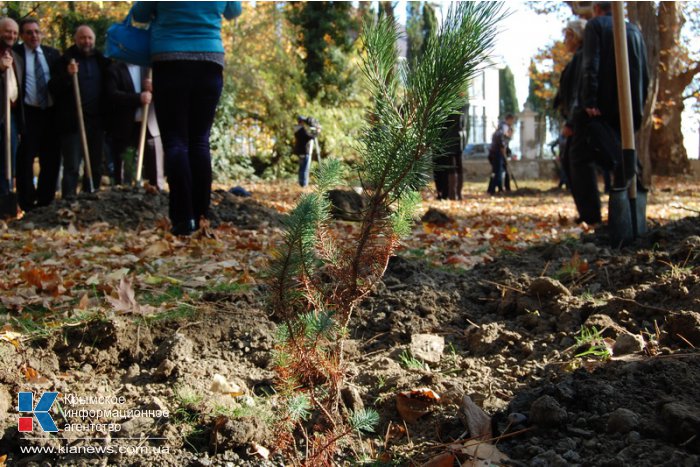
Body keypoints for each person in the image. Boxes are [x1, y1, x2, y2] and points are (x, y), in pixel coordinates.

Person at [132, 1, 242, 236]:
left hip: (170, 61)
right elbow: (234, 11)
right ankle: (202, 216)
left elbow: (139, 14)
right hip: (209, 62)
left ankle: (182, 219)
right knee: (199, 141)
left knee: (175, 141)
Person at [569, 1, 648, 224]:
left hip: (600, 108)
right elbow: (646, 73)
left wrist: (590, 100)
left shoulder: (596, 26)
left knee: (580, 157)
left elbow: (590, 64)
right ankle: (625, 214)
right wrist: (639, 106)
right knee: (621, 153)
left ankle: (592, 215)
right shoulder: (634, 30)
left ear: (596, 9)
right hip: (627, 107)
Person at [48, 25, 110, 199]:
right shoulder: (64, 61)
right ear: (75, 39)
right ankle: (69, 200)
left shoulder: (101, 61)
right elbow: (53, 88)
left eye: (90, 38)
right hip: (73, 122)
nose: (86, 41)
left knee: (96, 165)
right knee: (72, 166)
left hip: (96, 121)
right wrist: (68, 75)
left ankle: (92, 198)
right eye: (82, 38)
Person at [14, 18, 61, 210]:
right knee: (25, 159)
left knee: (51, 158)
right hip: (28, 113)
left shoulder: (53, 54)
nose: (33, 36)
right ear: (22, 36)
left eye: (36, 32)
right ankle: (26, 202)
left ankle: (46, 200)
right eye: (28, 32)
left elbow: (61, 81)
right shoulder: (16, 54)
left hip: (50, 113)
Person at [105, 61, 164, 189]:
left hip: (150, 124)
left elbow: (170, 91)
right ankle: (122, 193)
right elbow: (112, 95)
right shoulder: (114, 69)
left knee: (154, 165)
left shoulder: (151, 67)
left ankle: (156, 191)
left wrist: (155, 87)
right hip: (125, 125)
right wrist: (138, 98)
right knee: (123, 163)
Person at [553, 20, 586, 194]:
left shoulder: (581, 59)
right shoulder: (578, 58)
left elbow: (577, 92)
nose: (564, 41)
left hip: (578, 120)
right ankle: (588, 212)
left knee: (576, 162)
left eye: (566, 36)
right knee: (572, 162)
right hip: (575, 118)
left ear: (574, 36)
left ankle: (589, 214)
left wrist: (571, 123)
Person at [0, 17, 22, 199]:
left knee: (8, 159)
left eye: (15, 33)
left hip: (10, 115)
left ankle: (5, 196)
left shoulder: (15, 56)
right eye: (8, 31)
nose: (11, 35)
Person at [434, 106, 465, 200]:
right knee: (458, 167)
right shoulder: (461, 107)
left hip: (447, 141)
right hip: (458, 140)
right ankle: (457, 193)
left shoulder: (445, 109)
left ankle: (451, 194)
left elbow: (441, 125)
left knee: (451, 168)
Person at [487, 114, 515, 195]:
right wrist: (503, 147)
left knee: (498, 171)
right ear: (509, 119)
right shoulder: (504, 127)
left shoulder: (501, 128)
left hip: (496, 153)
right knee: (498, 172)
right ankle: (495, 189)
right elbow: (501, 140)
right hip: (497, 153)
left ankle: (496, 189)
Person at [293, 116, 318, 188]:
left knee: (301, 168)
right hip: (305, 151)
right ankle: (304, 184)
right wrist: (317, 132)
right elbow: (310, 137)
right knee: (305, 169)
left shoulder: (297, 130)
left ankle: (301, 183)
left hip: (300, 152)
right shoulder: (301, 131)